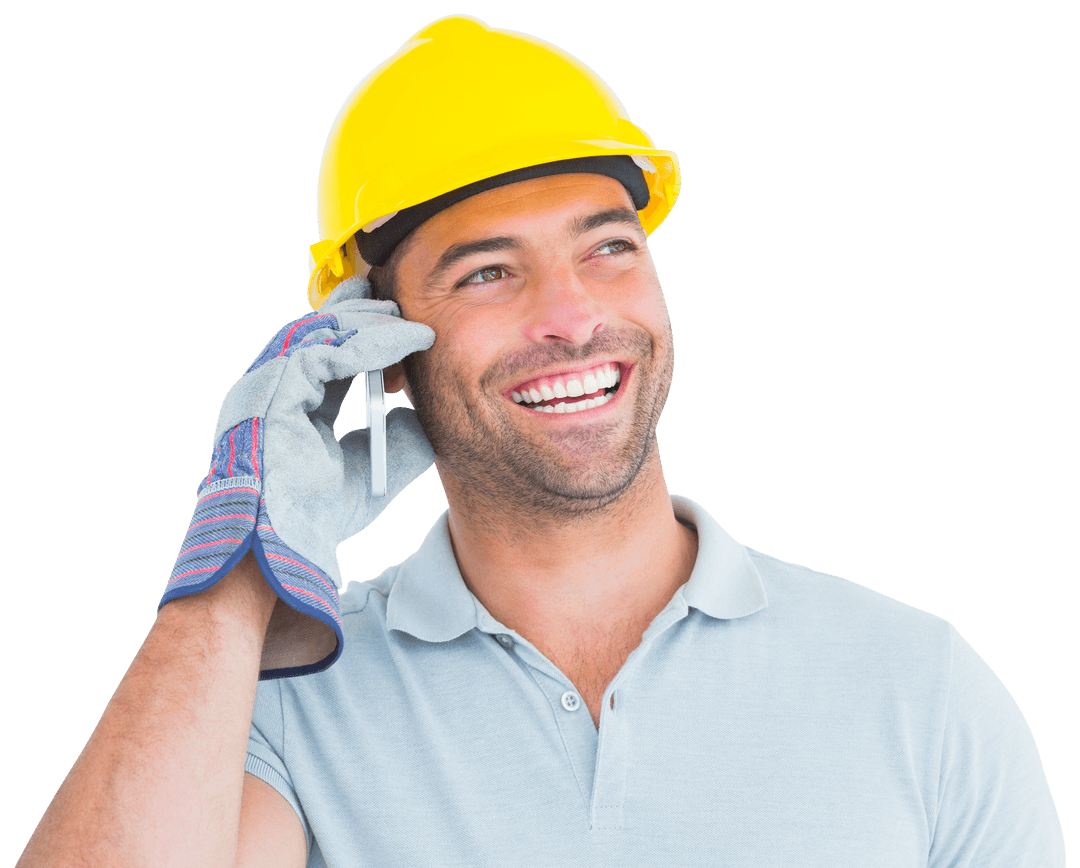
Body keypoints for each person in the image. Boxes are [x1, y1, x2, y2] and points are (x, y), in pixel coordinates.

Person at [18, 14, 1064, 867]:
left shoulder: (915, 684)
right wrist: (240, 563)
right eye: (487, 272)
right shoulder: (289, 703)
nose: (571, 315)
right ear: (378, 347)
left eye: (610, 247)